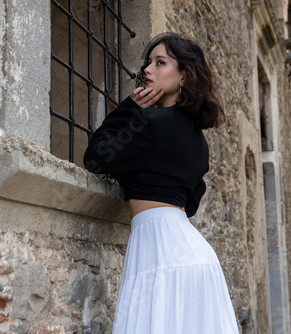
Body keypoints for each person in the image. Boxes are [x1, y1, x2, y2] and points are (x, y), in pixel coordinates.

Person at [83, 33, 239, 334]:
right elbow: (189, 203)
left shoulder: (150, 122)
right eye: (148, 63)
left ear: (184, 76)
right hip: (195, 255)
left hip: (161, 252)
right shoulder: (198, 141)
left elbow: (95, 159)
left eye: (160, 62)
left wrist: (129, 107)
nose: (147, 71)